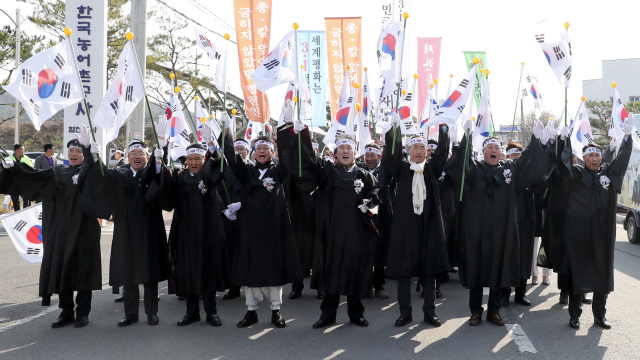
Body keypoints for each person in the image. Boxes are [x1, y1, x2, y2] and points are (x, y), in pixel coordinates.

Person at [444, 119, 552, 326]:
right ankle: (475, 311)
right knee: (476, 269)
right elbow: (460, 166)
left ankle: (494, 310)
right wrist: (464, 140)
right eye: (489, 147)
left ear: (501, 153)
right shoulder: (474, 170)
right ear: (483, 152)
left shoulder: (509, 170)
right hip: (476, 230)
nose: (493, 150)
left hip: (502, 230)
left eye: (497, 148)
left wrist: (536, 140)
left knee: (498, 267)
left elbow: (528, 160)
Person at [0, 126, 101, 328]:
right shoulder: (57, 172)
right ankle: (66, 311)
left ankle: (82, 312)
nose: (74, 154)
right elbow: (33, 178)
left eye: (79, 151)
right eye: (71, 150)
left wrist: (91, 153)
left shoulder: (89, 172)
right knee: (61, 267)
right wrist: (14, 167)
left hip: (84, 230)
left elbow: (101, 177)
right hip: (59, 230)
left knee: (82, 269)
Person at [280, 123, 378, 329]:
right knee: (330, 273)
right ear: (335, 153)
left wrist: (368, 206)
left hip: (356, 234)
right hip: (331, 234)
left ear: (355, 153)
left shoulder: (365, 176)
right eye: (341, 148)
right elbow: (307, 161)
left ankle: (356, 313)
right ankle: (328, 314)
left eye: (349, 148)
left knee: (355, 272)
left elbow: (376, 198)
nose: (345, 151)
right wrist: (301, 135)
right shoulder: (327, 172)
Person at [219, 115, 302, 329]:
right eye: (258, 149)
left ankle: (276, 310)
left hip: (273, 229)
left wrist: (287, 129)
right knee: (250, 271)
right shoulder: (246, 171)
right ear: (254, 153)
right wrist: (227, 130)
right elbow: (230, 155)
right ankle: (251, 312)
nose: (262, 151)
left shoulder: (279, 172)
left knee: (274, 271)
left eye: (266, 148)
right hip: (250, 229)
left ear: (272, 152)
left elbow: (289, 156)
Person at [146, 119, 229, 327]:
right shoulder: (180, 177)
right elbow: (162, 182)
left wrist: (212, 145)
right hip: (185, 231)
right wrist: (160, 153)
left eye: (198, 159)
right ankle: (191, 312)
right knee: (188, 271)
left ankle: (211, 312)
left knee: (208, 270)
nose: (193, 162)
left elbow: (219, 165)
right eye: (190, 159)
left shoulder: (208, 176)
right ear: (185, 161)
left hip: (208, 231)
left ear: (204, 160)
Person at [551, 120, 632, 330]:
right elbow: (563, 163)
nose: (594, 159)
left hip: (602, 235)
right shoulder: (576, 176)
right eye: (590, 156)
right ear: (584, 158)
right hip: (579, 235)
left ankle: (599, 315)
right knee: (577, 273)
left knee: (601, 274)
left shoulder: (608, 176)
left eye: (597, 156)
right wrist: (563, 141)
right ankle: (575, 315)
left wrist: (627, 137)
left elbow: (622, 161)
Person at [82, 137, 171, 327]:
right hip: (126, 231)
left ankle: (151, 312)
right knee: (128, 272)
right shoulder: (119, 175)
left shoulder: (150, 173)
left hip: (149, 230)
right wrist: (93, 154)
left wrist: (162, 146)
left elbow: (160, 175)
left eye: (141, 154)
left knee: (150, 273)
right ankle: (130, 313)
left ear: (147, 157)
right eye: (133, 154)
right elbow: (101, 175)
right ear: (128, 157)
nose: (137, 157)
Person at [384, 117, 451, 327]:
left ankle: (429, 311)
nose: (419, 151)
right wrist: (394, 131)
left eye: (422, 147)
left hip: (428, 225)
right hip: (405, 226)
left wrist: (443, 127)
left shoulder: (431, 168)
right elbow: (392, 155)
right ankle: (405, 312)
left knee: (429, 270)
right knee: (404, 272)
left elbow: (442, 153)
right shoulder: (401, 169)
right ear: (408, 150)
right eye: (415, 147)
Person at [363, 143, 389, 299]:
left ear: (379, 157)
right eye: (367, 155)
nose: (369, 158)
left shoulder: (384, 172)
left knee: (377, 251)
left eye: (372, 155)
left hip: (379, 217)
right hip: (361, 216)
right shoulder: (359, 170)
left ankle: (378, 286)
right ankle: (362, 285)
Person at [8, 143, 34, 210]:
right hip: (13, 184)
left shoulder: (26, 158)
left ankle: (26, 214)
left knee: (27, 201)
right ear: (16, 150)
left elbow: (30, 169)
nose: (23, 151)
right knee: (15, 201)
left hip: (24, 183)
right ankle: (17, 214)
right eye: (22, 149)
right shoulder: (9, 159)